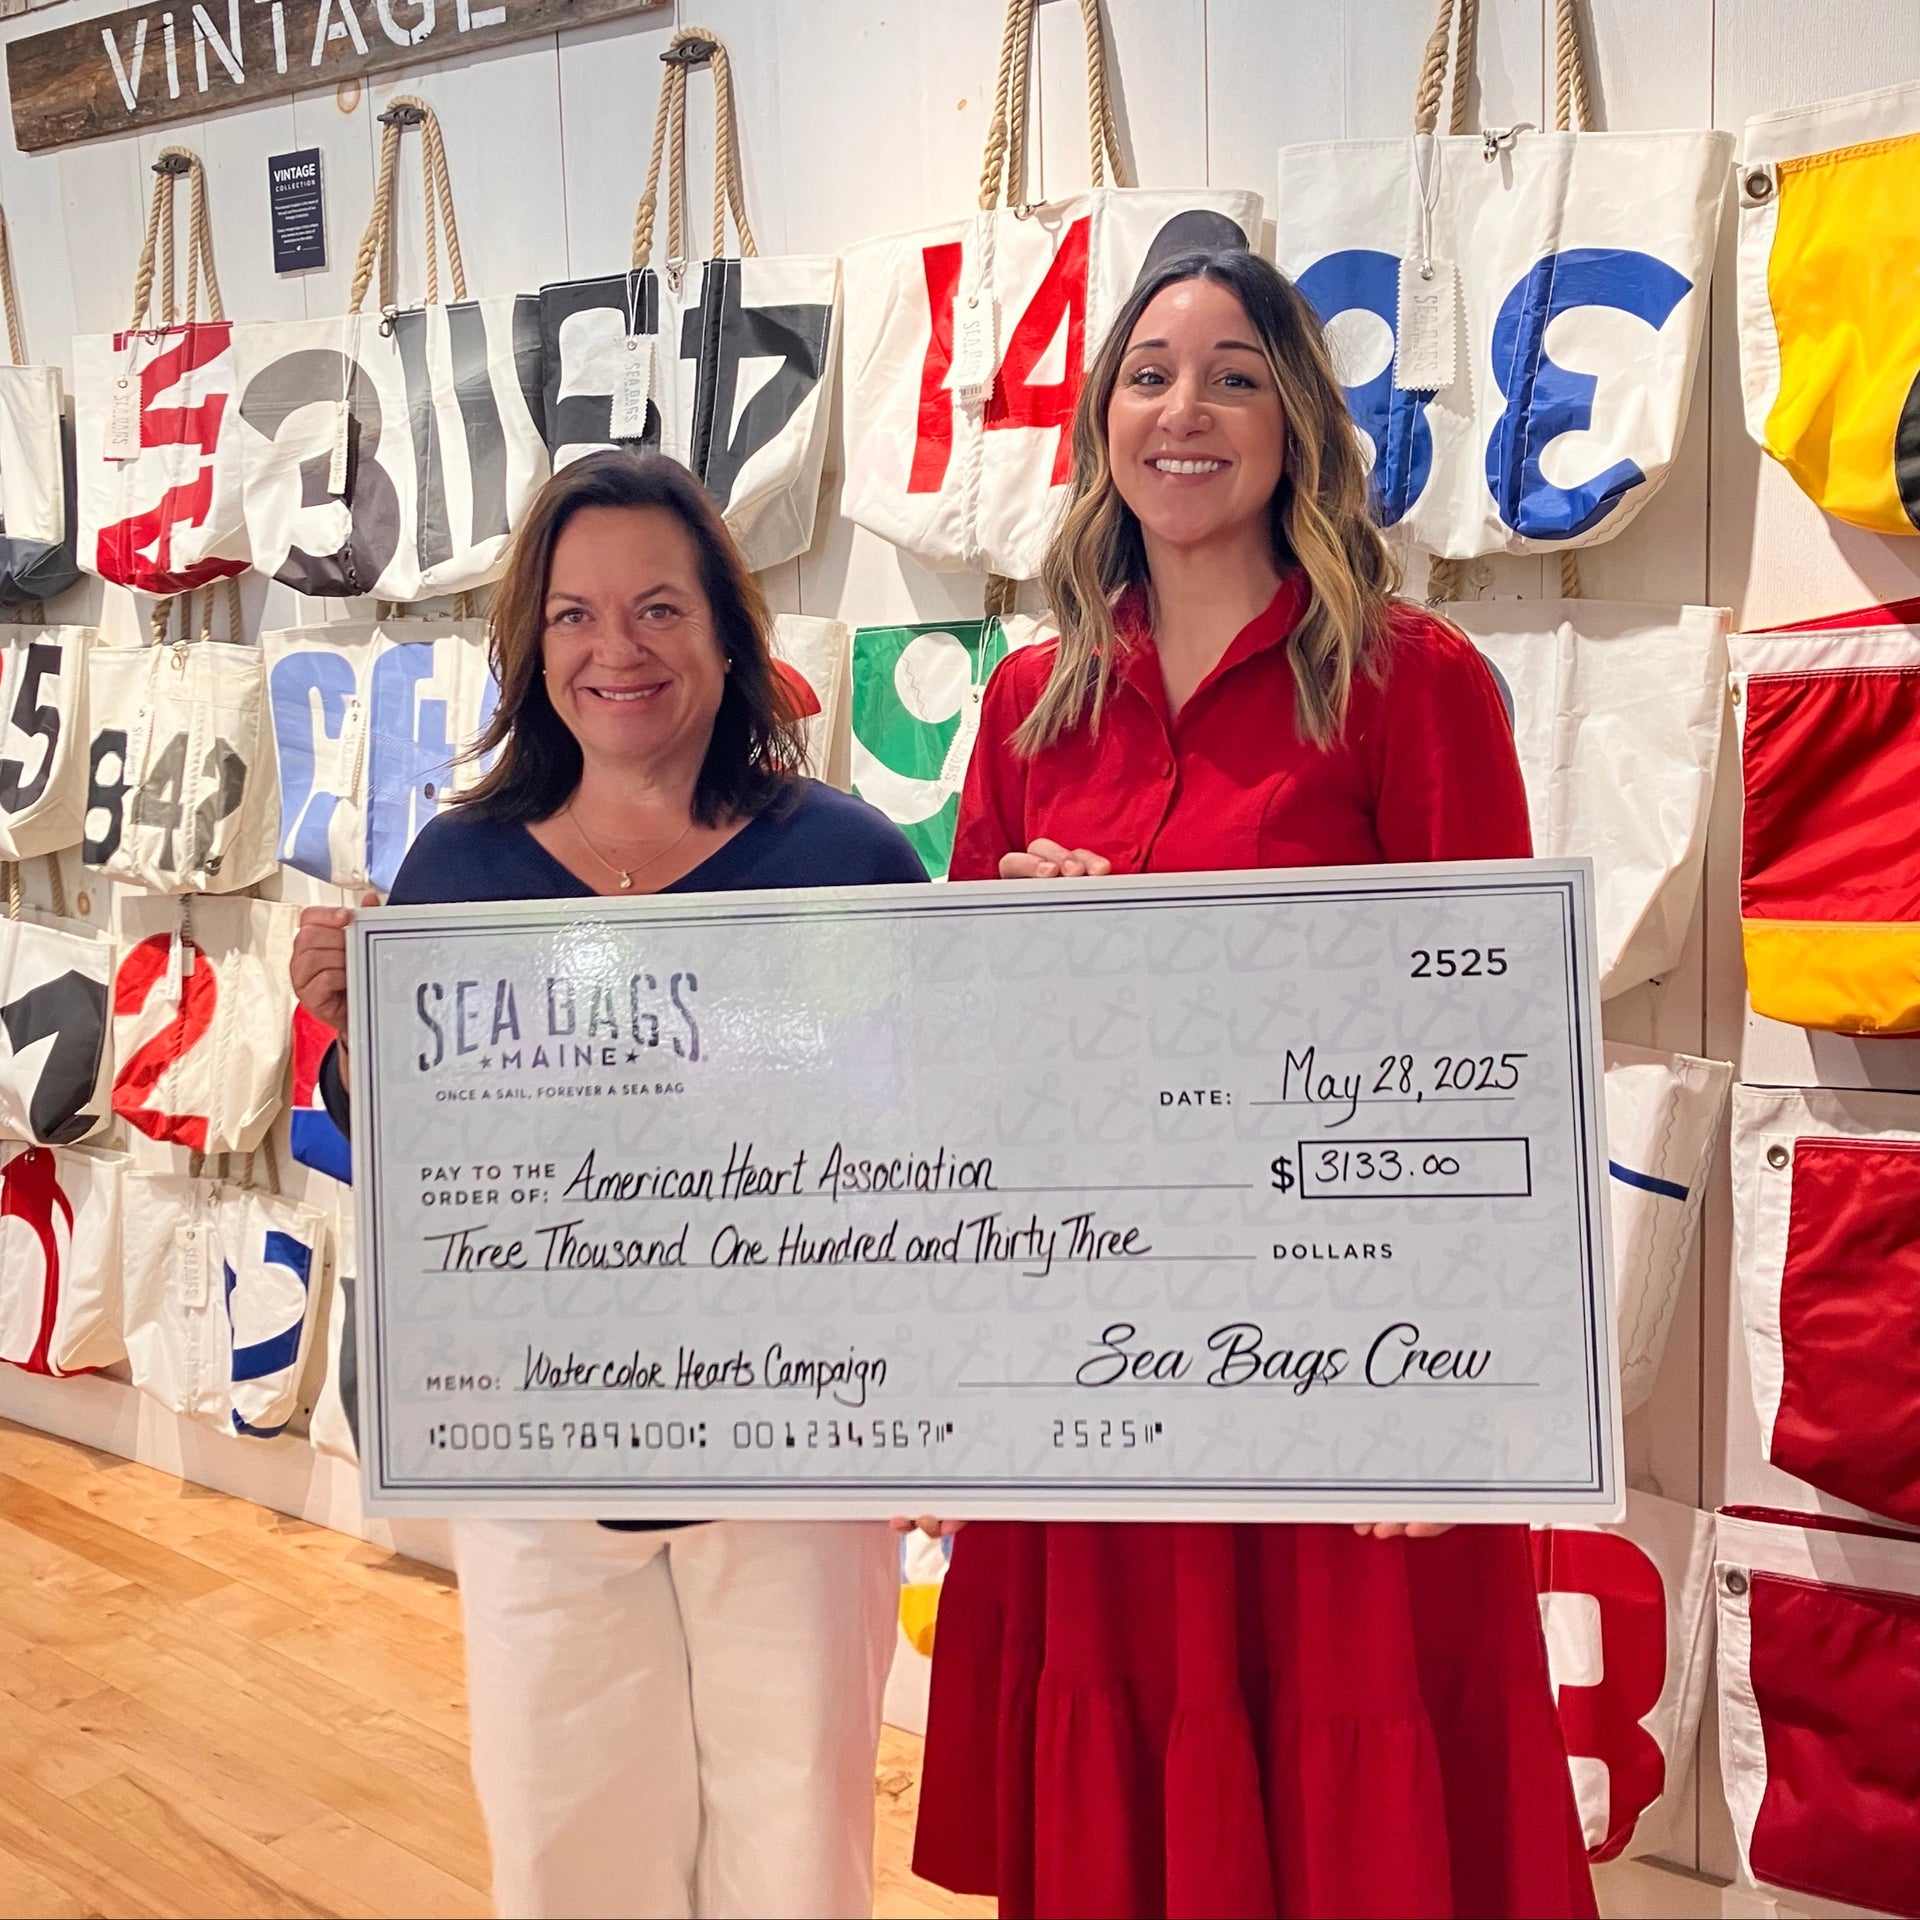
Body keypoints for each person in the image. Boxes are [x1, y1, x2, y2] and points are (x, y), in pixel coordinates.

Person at [906, 250, 1597, 1919]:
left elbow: (1480, 1051)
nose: (1186, 409)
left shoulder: (1411, 681)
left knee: (1349, 1787)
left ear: (1298, 416)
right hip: (1104, 1345)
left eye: (1231, 371)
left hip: (1333, 1349)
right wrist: (1031, 953)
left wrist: (1447, 1414)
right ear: (1102, 420)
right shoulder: (1025, 702)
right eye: (1149, 370)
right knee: (1129, 1782)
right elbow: (967, 1057)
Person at [291, 450, 926, 1920]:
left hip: (793, 1444)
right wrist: (350, 1039)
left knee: (794, 1847)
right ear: (532, 645)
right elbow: (427, 1171)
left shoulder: (845, 857)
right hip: (541, 1445)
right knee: (570, 1840)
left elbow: (931, 1138)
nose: (615, 650)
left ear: (725, 633)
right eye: (573, 616)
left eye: (656, 608)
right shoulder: (460, 866)